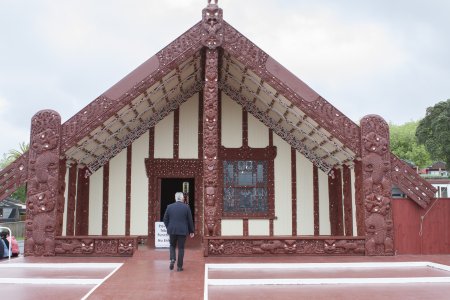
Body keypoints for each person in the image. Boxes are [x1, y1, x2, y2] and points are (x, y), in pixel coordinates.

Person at [163, 192, 194, 272]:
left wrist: (169, 227)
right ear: (182, 198)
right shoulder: (186, 207)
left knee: (172, 245)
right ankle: (179, 267)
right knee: (181, 248)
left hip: (172, 230)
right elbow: (190, 220)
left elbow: (165, 219)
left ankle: (172, 259)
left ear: (175, 198)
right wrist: (191, 231)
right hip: (182, 230)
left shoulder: (169, 207)